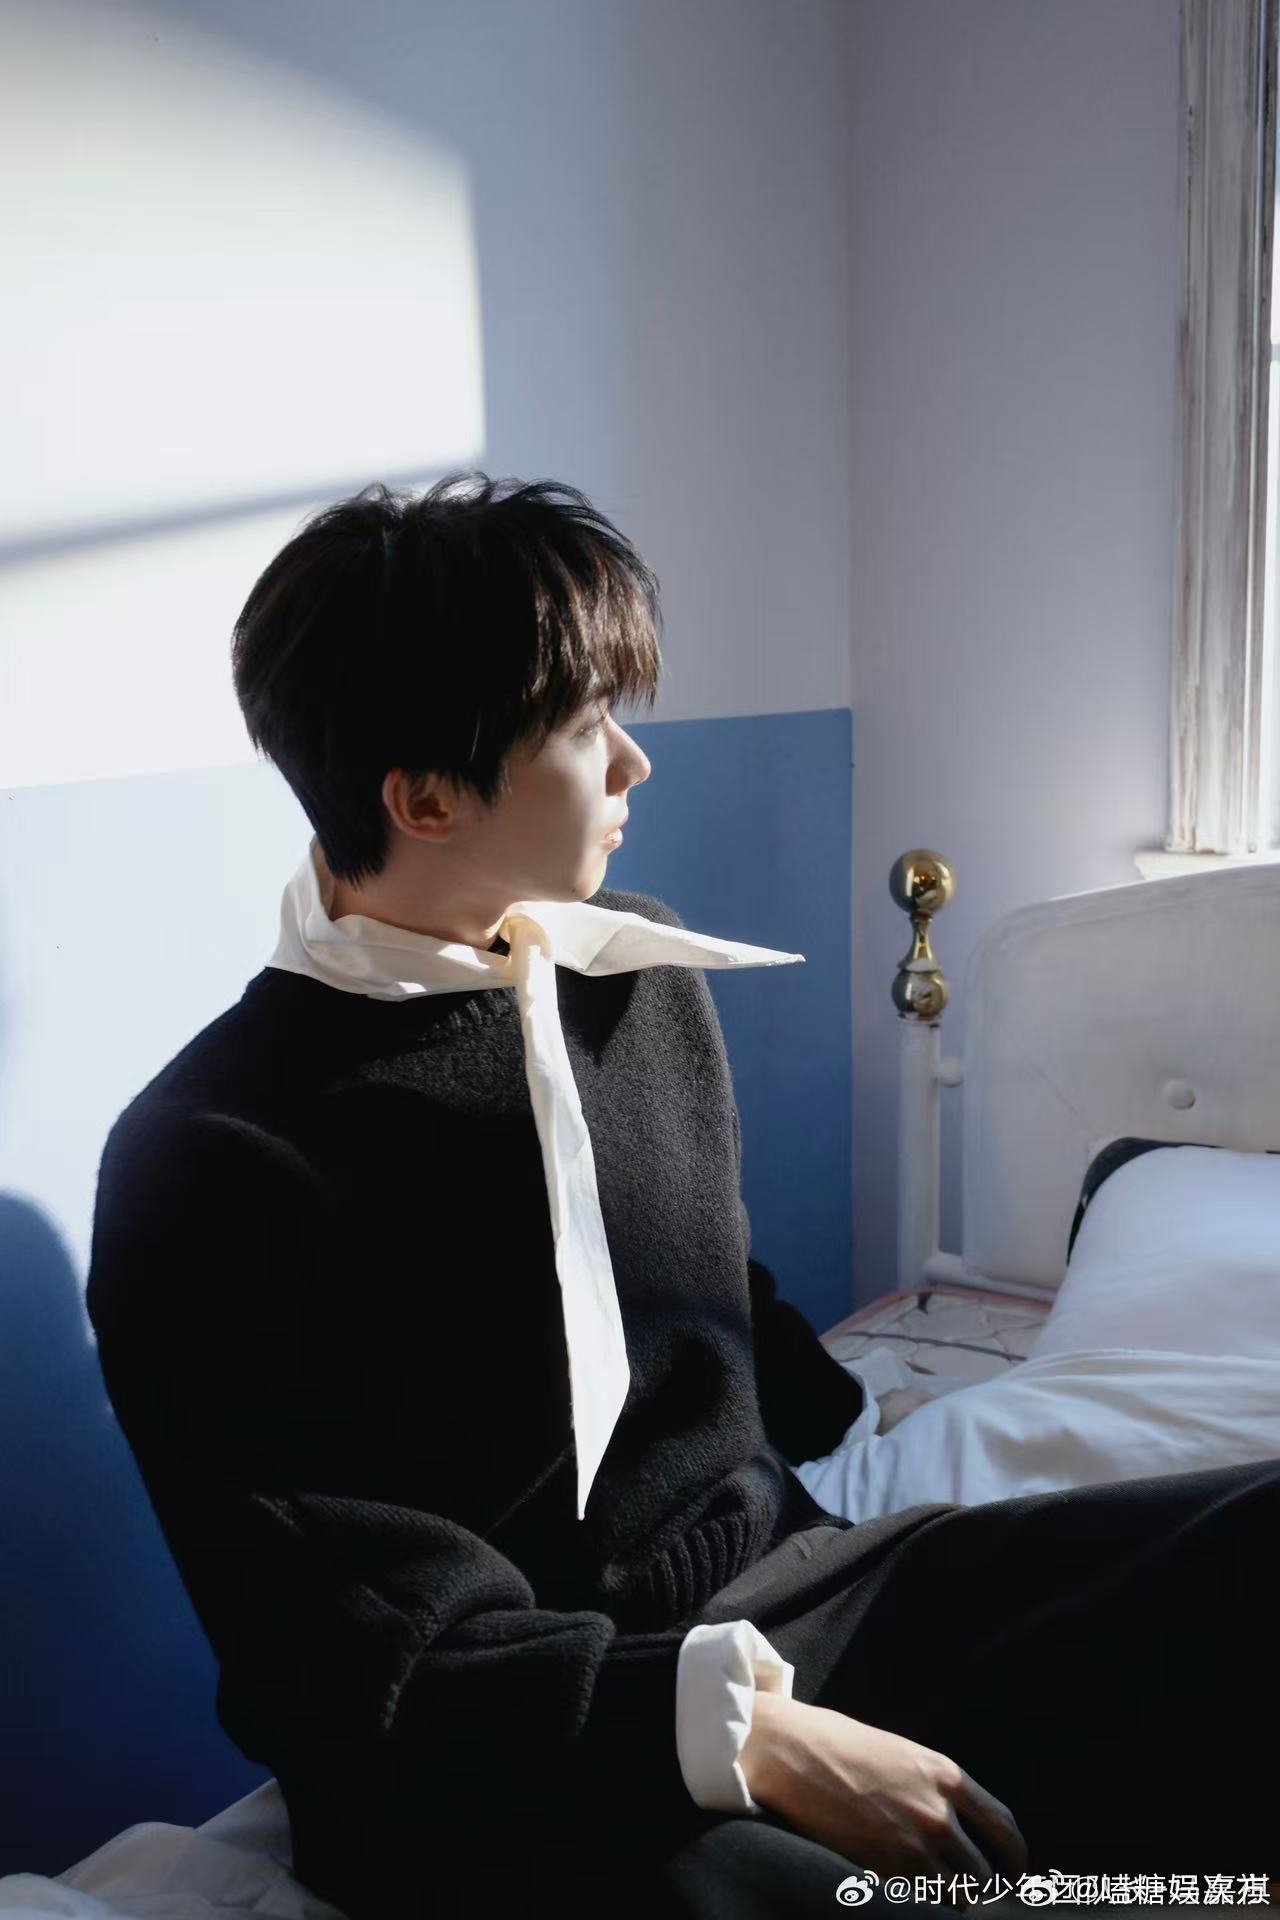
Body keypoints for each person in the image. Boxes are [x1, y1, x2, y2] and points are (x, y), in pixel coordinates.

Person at [86, 474, 1279, 1920]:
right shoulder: (211, 1164)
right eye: (588, 728)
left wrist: (856, 1426)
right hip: (510, 1749)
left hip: (788, 1592)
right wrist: (735, 1736)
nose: (636, 764)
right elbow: (363, 1666)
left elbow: (701, 1286)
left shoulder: (633, 971)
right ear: (425, 799)